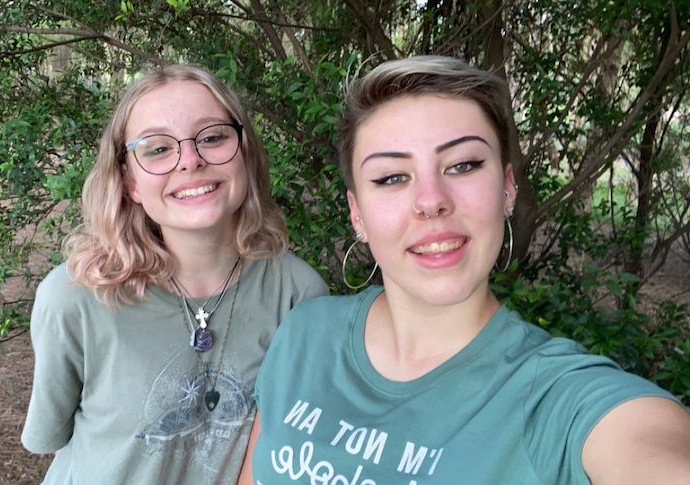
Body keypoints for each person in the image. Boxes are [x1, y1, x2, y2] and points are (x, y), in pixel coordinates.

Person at [239, 56, 690, 484]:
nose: (432, 199)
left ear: (508, 189)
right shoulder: (304, 332)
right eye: (392, 177)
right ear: (357, 214)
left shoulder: (556, 398)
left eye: (463, 165)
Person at [20, 64, 328, 484]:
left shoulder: (297, 295)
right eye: (157, 148)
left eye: (214, 136)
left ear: (245, 154)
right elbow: (55, 440)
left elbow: (289, 447)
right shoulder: (75, 296)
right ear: (130, 181)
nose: (190, 161)